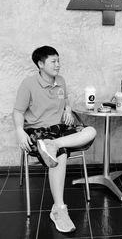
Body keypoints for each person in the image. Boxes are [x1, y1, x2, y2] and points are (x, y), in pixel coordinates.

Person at [13, 46, 96, 232]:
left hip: (59, 131)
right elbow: (18, 111)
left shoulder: (61, 81)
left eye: (59, 60)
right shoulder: (28, 84)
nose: (58, 65)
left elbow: (65, 100)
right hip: (38, 131)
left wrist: (67, 109)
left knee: (91, 131)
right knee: (61, 155)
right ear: (41, 64)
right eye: (53, 61)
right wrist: (19, 130)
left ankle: (53, 145)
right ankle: (58, 209)